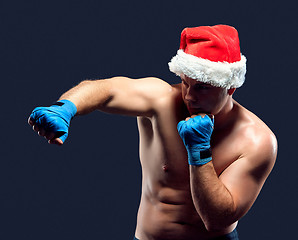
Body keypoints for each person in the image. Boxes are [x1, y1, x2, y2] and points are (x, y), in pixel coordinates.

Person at [28, 25, 277, 240]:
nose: (189, 96)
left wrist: (199, 152)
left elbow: (216, 219)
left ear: (230, 87)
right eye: (185, 83)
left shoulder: (256, 140)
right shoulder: (162, 101)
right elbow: (106, 89)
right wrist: (65, 108)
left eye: (201, 87)